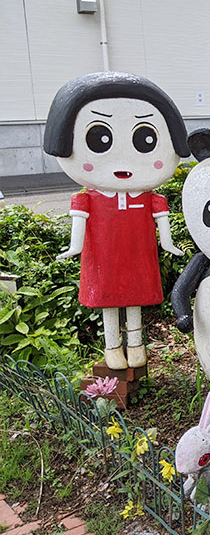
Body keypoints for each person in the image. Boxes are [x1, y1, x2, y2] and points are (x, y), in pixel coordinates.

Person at [44, 72, 188, 369]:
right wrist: (74, 248)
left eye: (146, 139)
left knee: (133, 298)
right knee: (108, 300)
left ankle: (135, 343)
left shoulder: (148, 198)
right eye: (99, 139)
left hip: (137, 254)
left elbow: (162, 224)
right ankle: (112, 346)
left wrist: (169, 244)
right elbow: (79, 227)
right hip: (103, 257)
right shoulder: (88, 198)